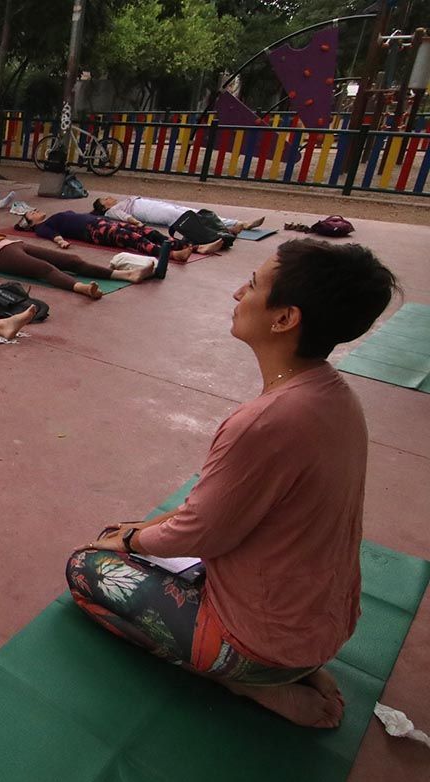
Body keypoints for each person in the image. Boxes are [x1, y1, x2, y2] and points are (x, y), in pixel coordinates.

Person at [65, 239, 399, 729]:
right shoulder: (336, 397)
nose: (238, 293)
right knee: (138, 531)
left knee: (85, 566)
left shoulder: (266, 421)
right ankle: (282, 667)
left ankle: (238, 677)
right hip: (320, 631)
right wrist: (142, 530)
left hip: (260, 646)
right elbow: (223, 517)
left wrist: (132, 539)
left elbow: (198, 534)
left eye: (255, 285)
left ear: (286, 318)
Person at [0, 228, 155, 299]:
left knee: (71, 260)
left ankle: (127, 276)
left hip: (13, 243)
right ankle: (81, 288)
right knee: (43, 269)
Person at [15, 209, 222, 261]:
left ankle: (196, 247)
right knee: (132, 239)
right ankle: (170, 255)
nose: (36, 211)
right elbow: (52, 235)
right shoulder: (42, 227)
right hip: (94, 232)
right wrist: (61, 243)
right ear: (31, 223)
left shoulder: (52, 217)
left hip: (99, 222)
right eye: (32, 214)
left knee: (148, 231)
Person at [93, 196, 265, 235]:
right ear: (104, 206)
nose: (110, 198)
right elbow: (126, 217)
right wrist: (137, 224)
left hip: (154, 205)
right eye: (106, 199)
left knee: (196, 212)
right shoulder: (111, 211)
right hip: (151, 212)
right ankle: (225, 229)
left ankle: (238, 223)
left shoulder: (122, 201)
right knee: (188, 217)